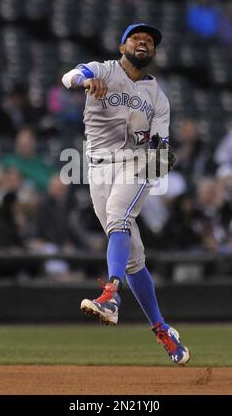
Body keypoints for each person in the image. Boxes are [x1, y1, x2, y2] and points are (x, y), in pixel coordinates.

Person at [62, 23, 190, 365]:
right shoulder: (104, 70)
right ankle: (163, 330)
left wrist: (162, 152)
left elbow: (160, 143)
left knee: (120, 215)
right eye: (137, 39)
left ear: (153, 52)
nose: (144, 43)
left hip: (138, 164)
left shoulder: (157, 96)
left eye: (149, 41)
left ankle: (110, 295)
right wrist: (84, 81)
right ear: (123, 47)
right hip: (98, 167)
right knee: (133, 258)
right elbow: (69, 76)